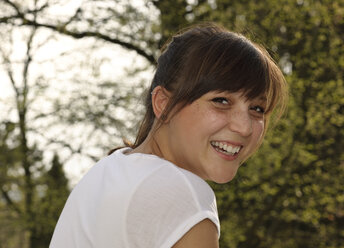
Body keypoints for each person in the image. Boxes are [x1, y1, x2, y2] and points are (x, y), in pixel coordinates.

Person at [50, 23, 288, 248]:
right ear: (163, 104)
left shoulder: (105, 171)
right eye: (221, 101)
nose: (245, 127)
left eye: (257, 109)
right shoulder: (182, 195)